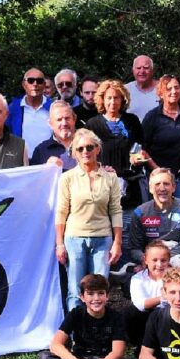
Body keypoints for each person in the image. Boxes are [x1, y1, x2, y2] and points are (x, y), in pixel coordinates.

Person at [55, 129, 122, 313]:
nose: (85, 151)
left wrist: (117, 242)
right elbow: (61, 212)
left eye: (89, 147)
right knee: (75, 291)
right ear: (74, 153)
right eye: (80, 148)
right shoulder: (67, 178)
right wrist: (59, 244)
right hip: (74, 239)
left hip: (103, 239)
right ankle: (75, 330)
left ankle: (98, 328)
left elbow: (116, 210)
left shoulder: (111, 177)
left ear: (97, 149)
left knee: (99, 291)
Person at [36, 274, 127, 359]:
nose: (96, 298)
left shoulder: (116, 317)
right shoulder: (76, 314)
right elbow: (55, 344)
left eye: (100, 293)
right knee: (44, 357)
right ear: (82, 297)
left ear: (107, 296)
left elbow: (117, 353)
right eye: (90, 294)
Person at [83, 79, 146, 208]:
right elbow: (85, 155)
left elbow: (140, 145)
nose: (112, 102)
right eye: (109, 98)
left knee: (130, 218)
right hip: (102, 185)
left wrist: (137, 156)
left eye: (116, 98)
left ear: (123, 99)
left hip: (131, 185)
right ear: (102, 99)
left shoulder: (132, 121)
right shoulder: (92, 125)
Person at [141, 74, 180, 202]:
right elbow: (142, 149)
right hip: (159, 180)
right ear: (161, 93)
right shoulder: (152, 117)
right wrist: (159, 171)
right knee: (160, 213)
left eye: (177, 87)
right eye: (169, 89)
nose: (174, 91)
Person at [125, 168, 180, 267]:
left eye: (166, 184)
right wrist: (145, 259)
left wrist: (164, 259)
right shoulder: (140, 212)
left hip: (178, 259)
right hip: (150, 261)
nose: (162, 188)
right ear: (150, 188)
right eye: (157, 184)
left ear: (174, 187)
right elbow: (135, 248)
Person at [127, 241, 172, 348]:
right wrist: (163, 298)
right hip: (146, 316)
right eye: (154, 260)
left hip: (169, 315)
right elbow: (140, 305)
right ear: (146, 260)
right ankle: (140, 344)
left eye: (163, 260)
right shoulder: (137, 278)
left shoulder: (174, 277)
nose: (159, 265)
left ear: (169, 261)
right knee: (130, 312)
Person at [6, 68, 53, 153]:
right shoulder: (13, 108)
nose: (35, 84)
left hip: (49, 159)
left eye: (39, 81)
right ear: (24, 84)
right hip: (21, 158)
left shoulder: (53, 107)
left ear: (44, 85)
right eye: (31, 81)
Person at [29, 100, 78, 169]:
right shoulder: (41, 151)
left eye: (67, 118)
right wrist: (46, 168)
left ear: (74, 119)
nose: (64, 123)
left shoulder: (87, 144)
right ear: (50, 124)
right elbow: (35, 175)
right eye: (59, 120)